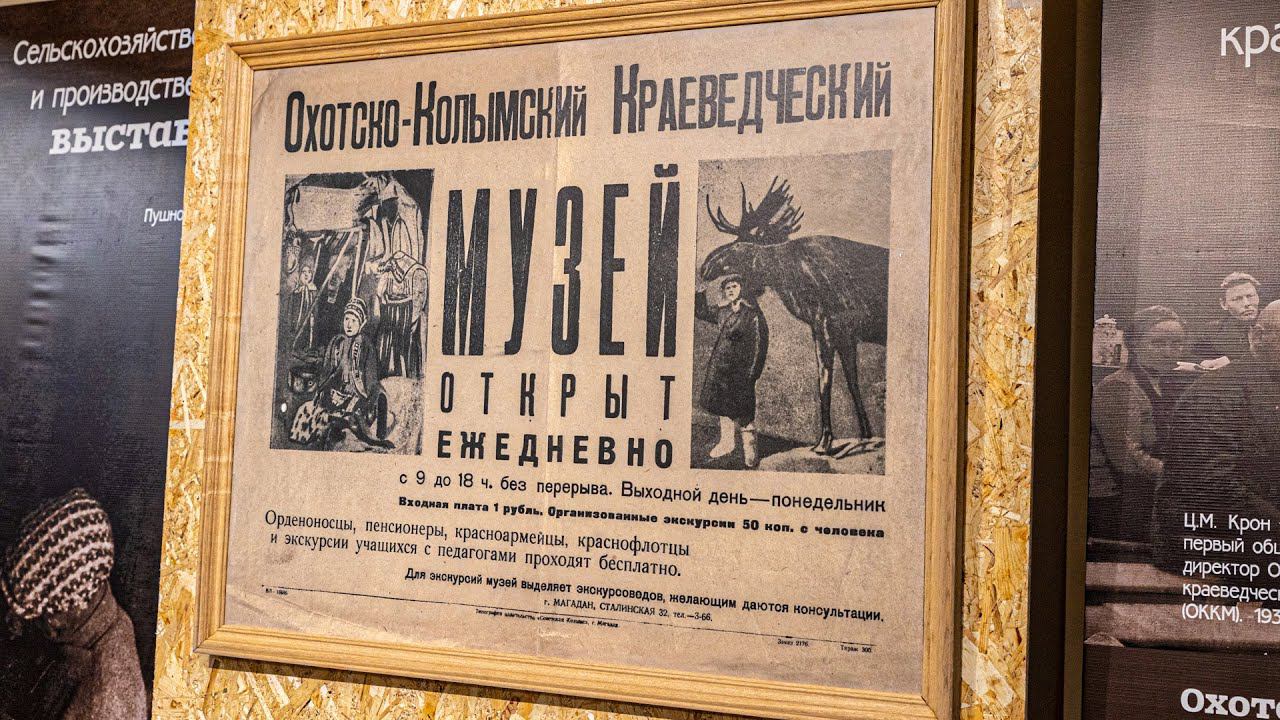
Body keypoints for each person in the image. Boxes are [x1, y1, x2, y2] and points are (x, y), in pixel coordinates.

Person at [1154, 300, 1280, 577]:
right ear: (1259, 336)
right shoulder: (1215, 392)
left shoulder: (1268, 385)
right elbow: (1211, 487)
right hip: (1205, 540)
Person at [0, 489, 146, 720]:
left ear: (61, 614)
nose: (17, 625)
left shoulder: (101, 704)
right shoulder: (105, 616)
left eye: (35, 617)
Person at [1089, 306, 1187, 545]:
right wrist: (1182, 476)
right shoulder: (1118, 387)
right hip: (1117, 502)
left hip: (1149, 490)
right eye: (1158, 343)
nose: (1169, 352)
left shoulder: (1164, 383)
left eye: (1176, 344)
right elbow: (1128, 460)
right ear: (1134, 344)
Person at [696, 274, 769, 468]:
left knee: (744, 412)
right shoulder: (723, 311)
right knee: (722, 408)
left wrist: (752, 374)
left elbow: (759, 345)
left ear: (742, 289)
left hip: (741, 372)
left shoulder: (752, 315)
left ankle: (750, 452)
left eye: (734, 286)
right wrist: (700, 291)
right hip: (720, 369)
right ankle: (727, 444)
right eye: (727, 288)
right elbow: (700, 311)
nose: (730, 290)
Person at [1197, 272, 1261, 364]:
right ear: (1224, 304)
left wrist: (1230, 361)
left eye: (1250, 296)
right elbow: (1193, 358)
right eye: (1237, 299)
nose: (1246, 303)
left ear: (1258, 297)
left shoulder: (1275, 323)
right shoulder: (1211, 332)